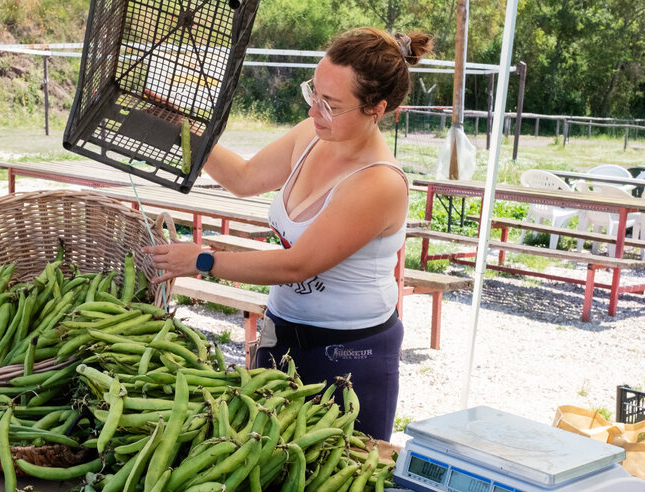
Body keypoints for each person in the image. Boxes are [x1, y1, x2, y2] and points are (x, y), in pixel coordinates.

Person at [144, 27, 434, 442]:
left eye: (331, 104)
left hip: (349, 355)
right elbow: (244, 178)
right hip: (282, 332)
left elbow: (298, 265)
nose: (315, 111)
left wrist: (203, 260)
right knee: (263, 455)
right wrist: (182, 129)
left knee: (339, 470)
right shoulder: (311, 135)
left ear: (377, 108)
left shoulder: (379, 182)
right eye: (313, 93)